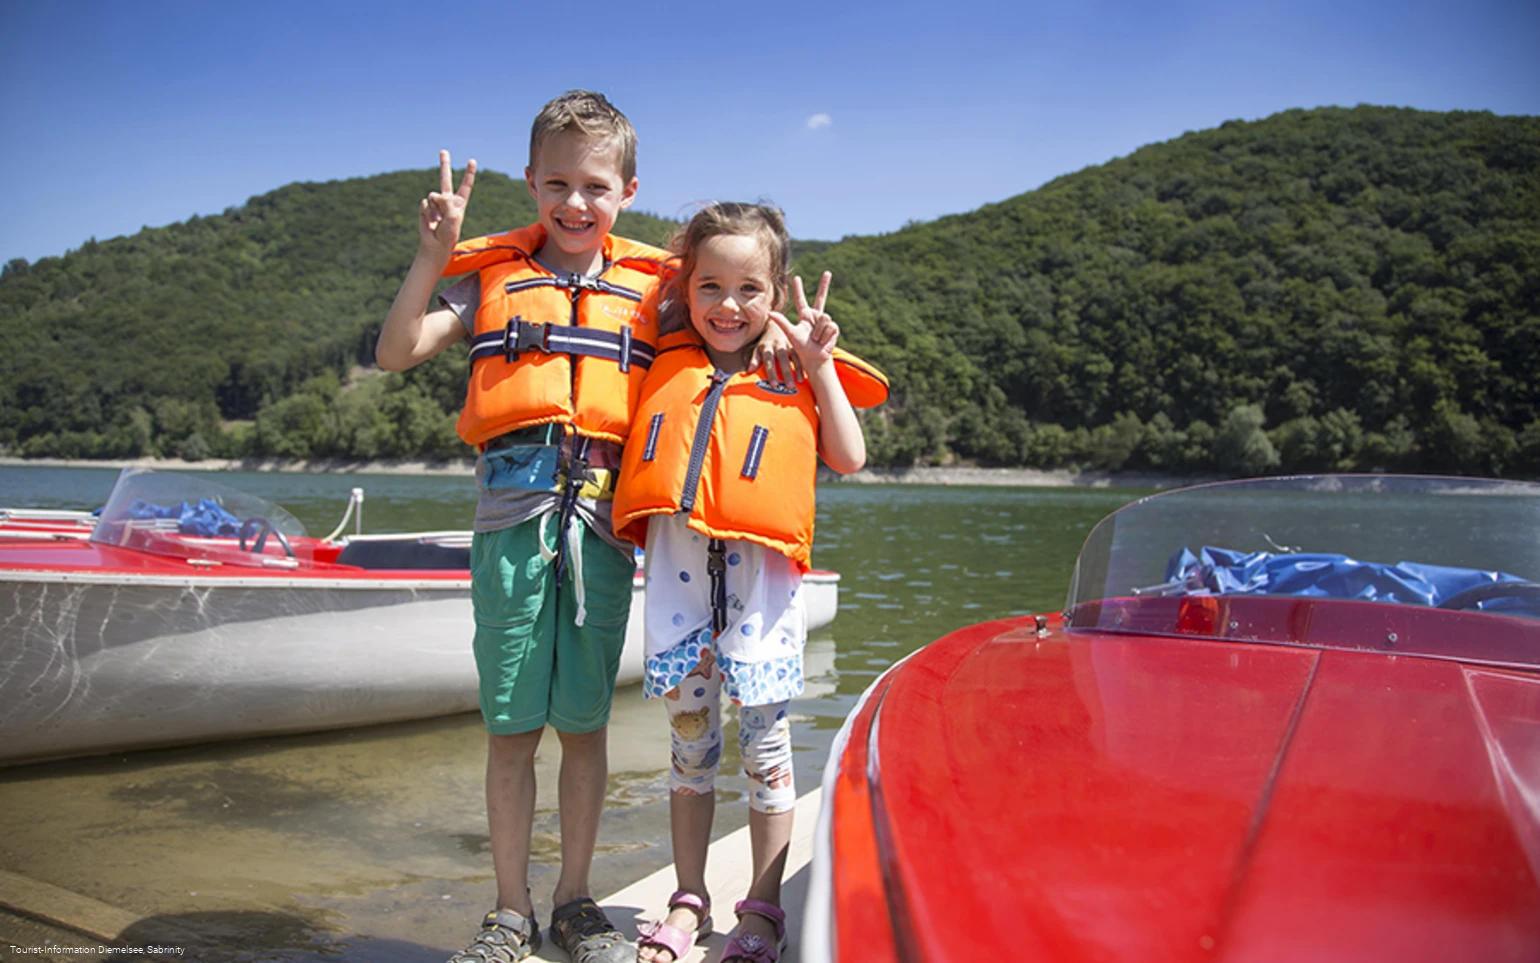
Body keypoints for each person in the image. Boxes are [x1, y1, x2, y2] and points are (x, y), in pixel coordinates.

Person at [376, 92, 794, 963]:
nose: (575, 203)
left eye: (594, 186)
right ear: (531, 183)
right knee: (510, 726)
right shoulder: (490, 274)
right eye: (557, 183)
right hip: (512, 514)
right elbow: (397, 349)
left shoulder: (654, 291)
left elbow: (731, 316)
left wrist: (792, 353)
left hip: (602, 526)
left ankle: (573, 901)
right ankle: (507, 909)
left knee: (585, 724)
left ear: (627, 191)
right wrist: (430, 254)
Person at [612, 203, 888, 963]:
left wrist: (820, 363)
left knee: (767, 753)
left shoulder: (791, 366)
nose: (727, 306)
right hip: (680, 598)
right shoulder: (661, 355)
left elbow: (850, 454)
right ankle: (688, 898)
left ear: (777, 292)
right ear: (686, 286)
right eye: (710, 287)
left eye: (749, 290)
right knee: (689, 752)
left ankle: (761, 910)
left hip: (761, 605)